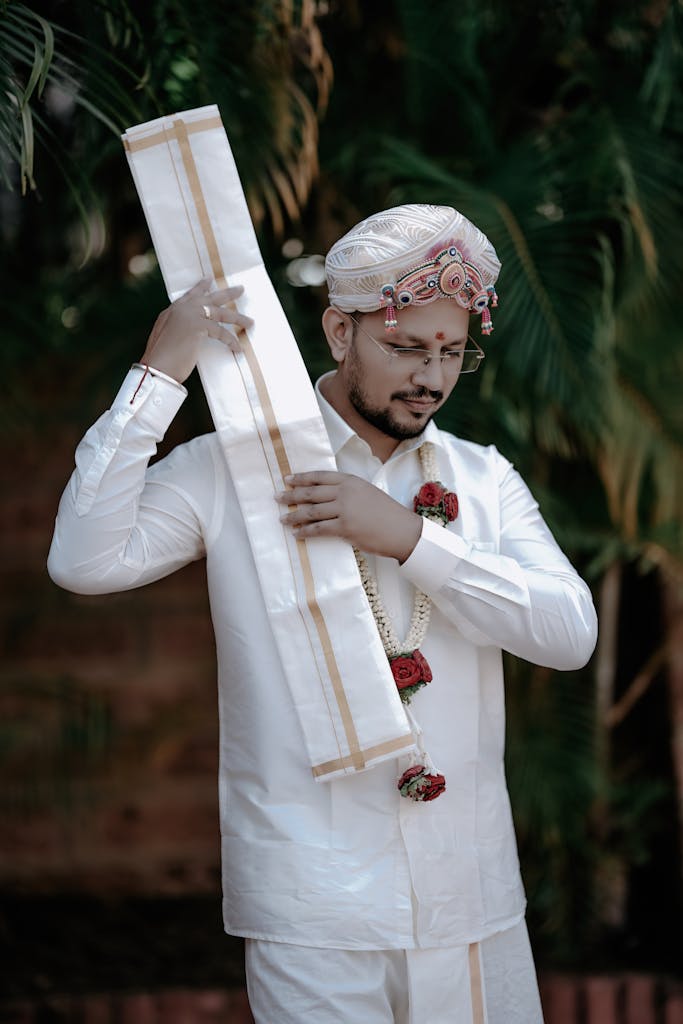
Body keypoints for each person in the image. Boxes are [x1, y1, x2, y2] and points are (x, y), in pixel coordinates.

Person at [48, 204, 598, 1023]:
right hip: (312, 907)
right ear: (340, 332)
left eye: (452, 353)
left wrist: (410, 538)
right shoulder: (234, 469)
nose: (431, 377)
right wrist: (159, 375)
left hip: (468, 900)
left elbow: (569, 634)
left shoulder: (481, 481)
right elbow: (82, 559)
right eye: (405, 348)